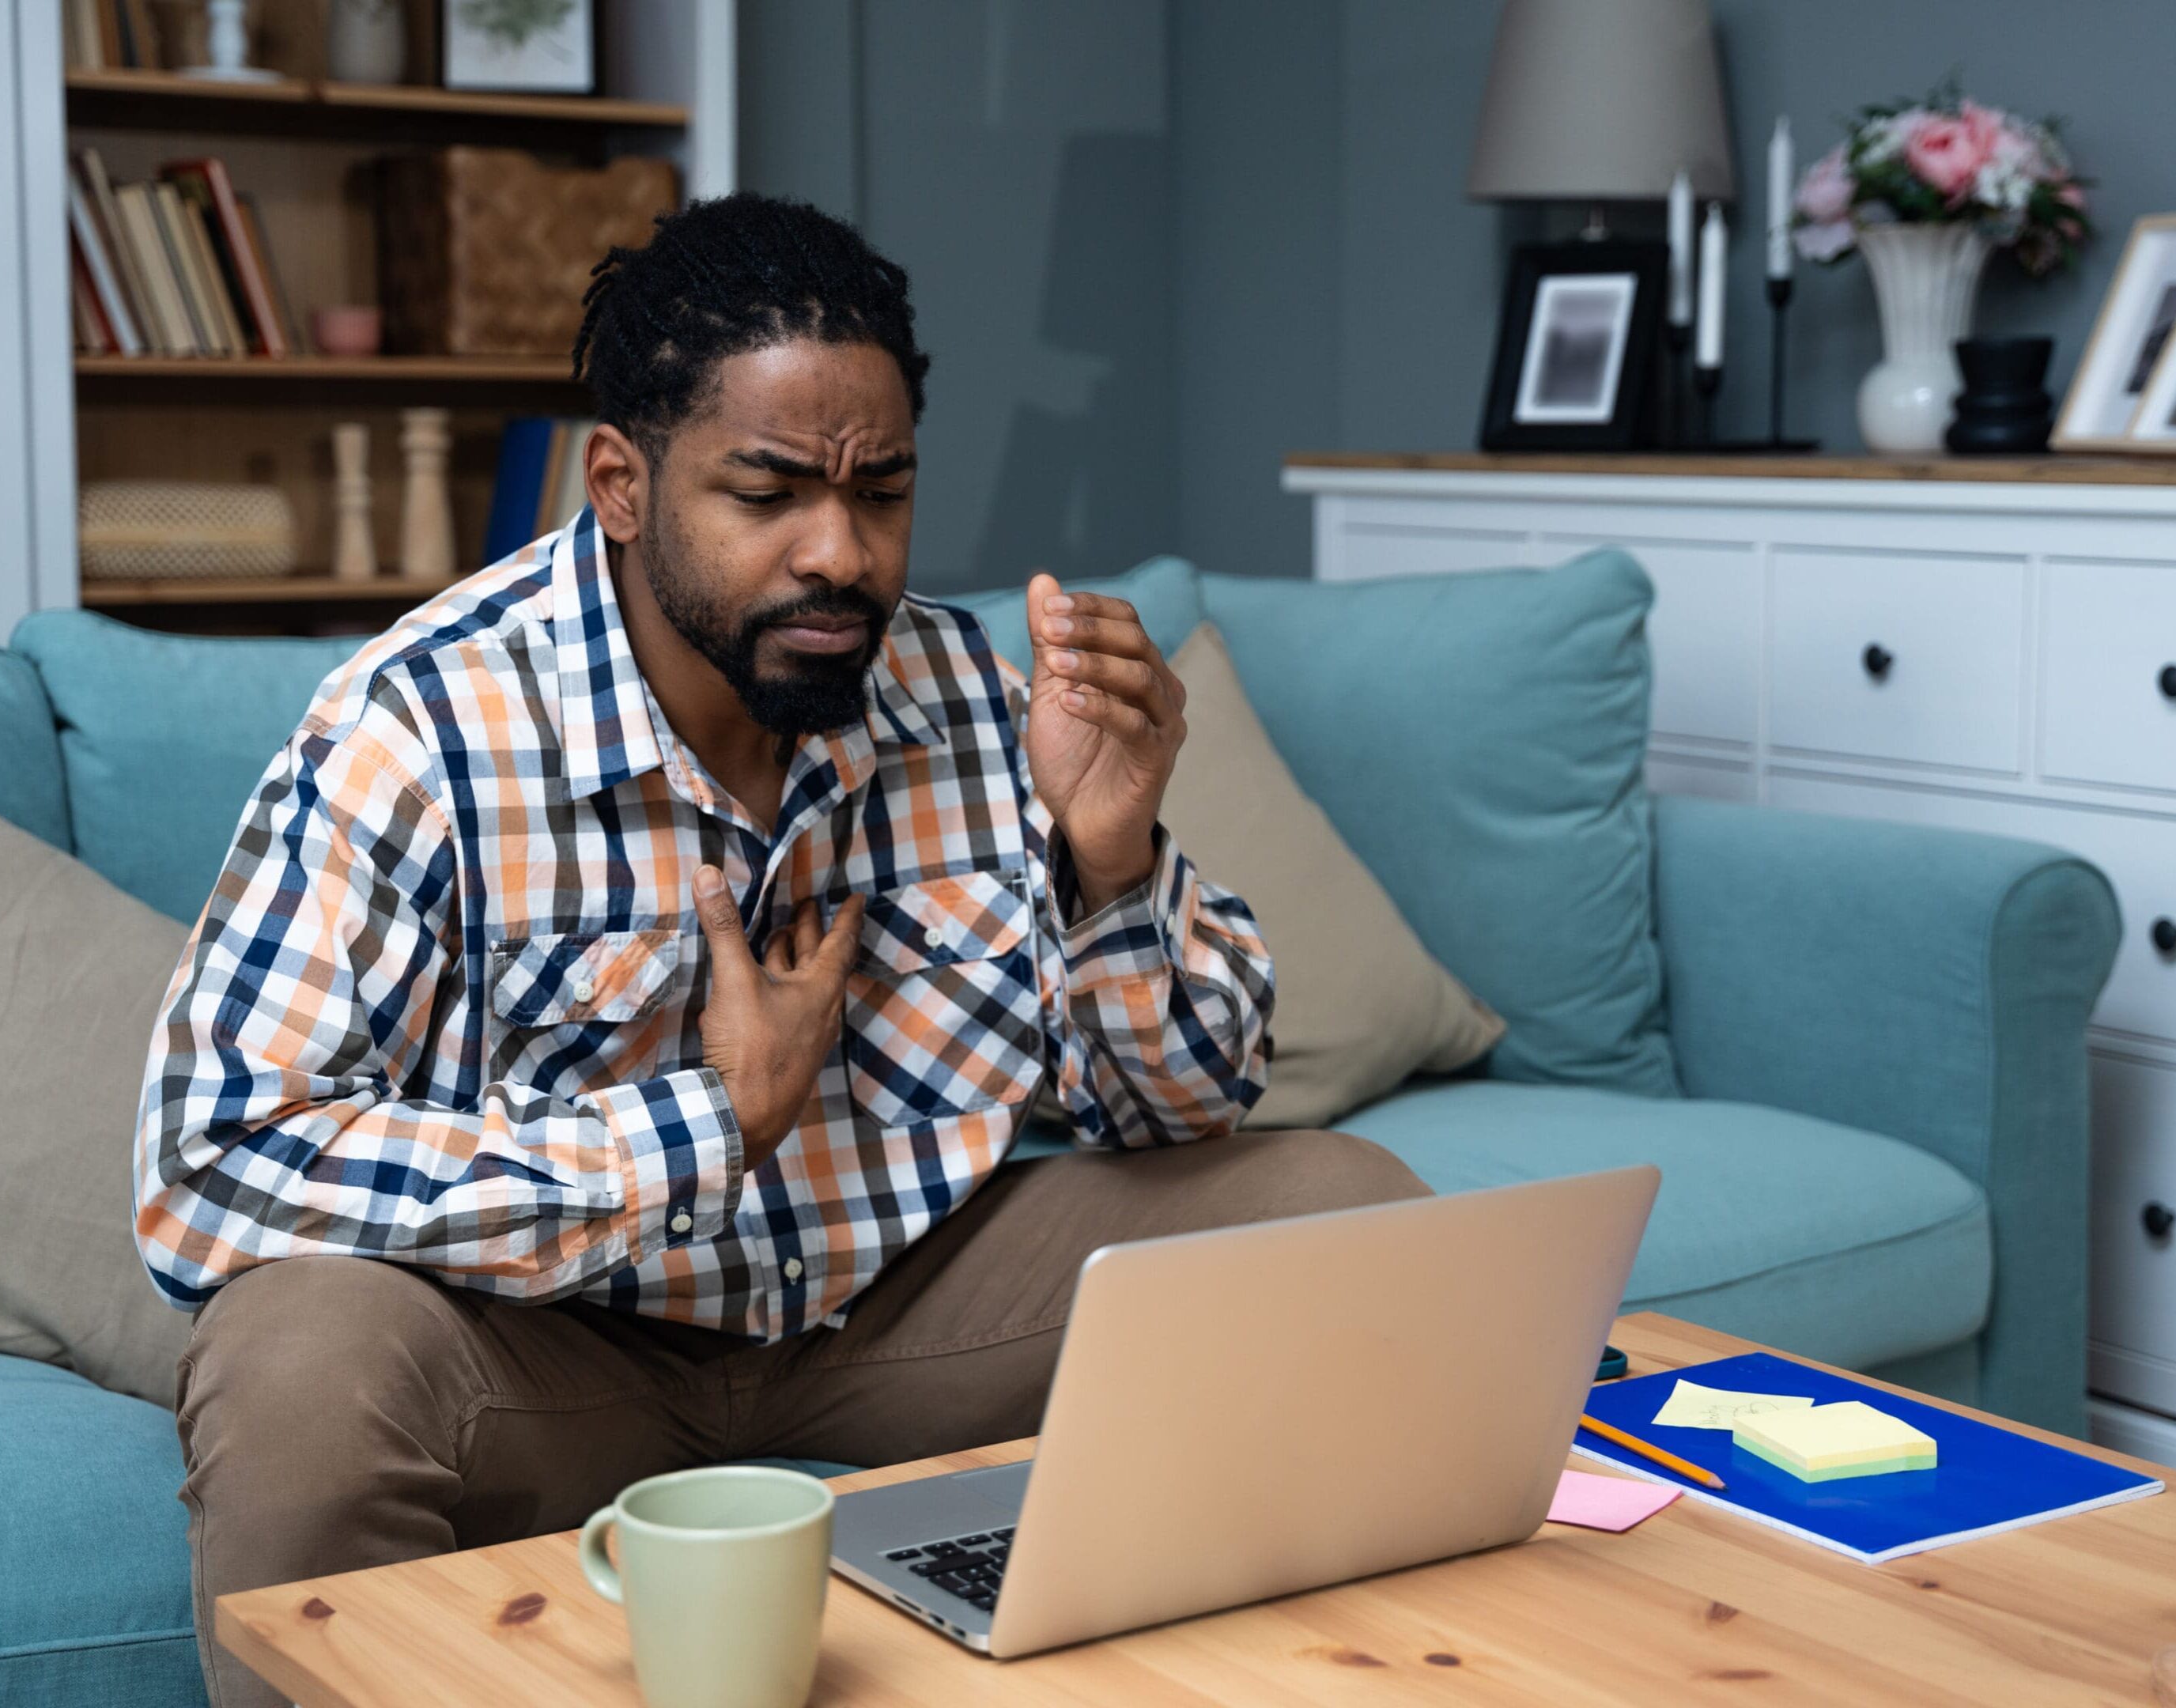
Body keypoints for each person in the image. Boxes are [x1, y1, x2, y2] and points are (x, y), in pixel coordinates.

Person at [131, 193, 1427, 1706]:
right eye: (768, 494)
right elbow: (213, 1164)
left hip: (897, 1313)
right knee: (297, 1368)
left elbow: (1186, 1111)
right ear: (622, 483)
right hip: (553, 1347)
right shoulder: (419, 730)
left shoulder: (959, 690)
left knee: (1350, 1216)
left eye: (883, 494)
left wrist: (1110, 857)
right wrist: (702, 1127)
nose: (841, 554)